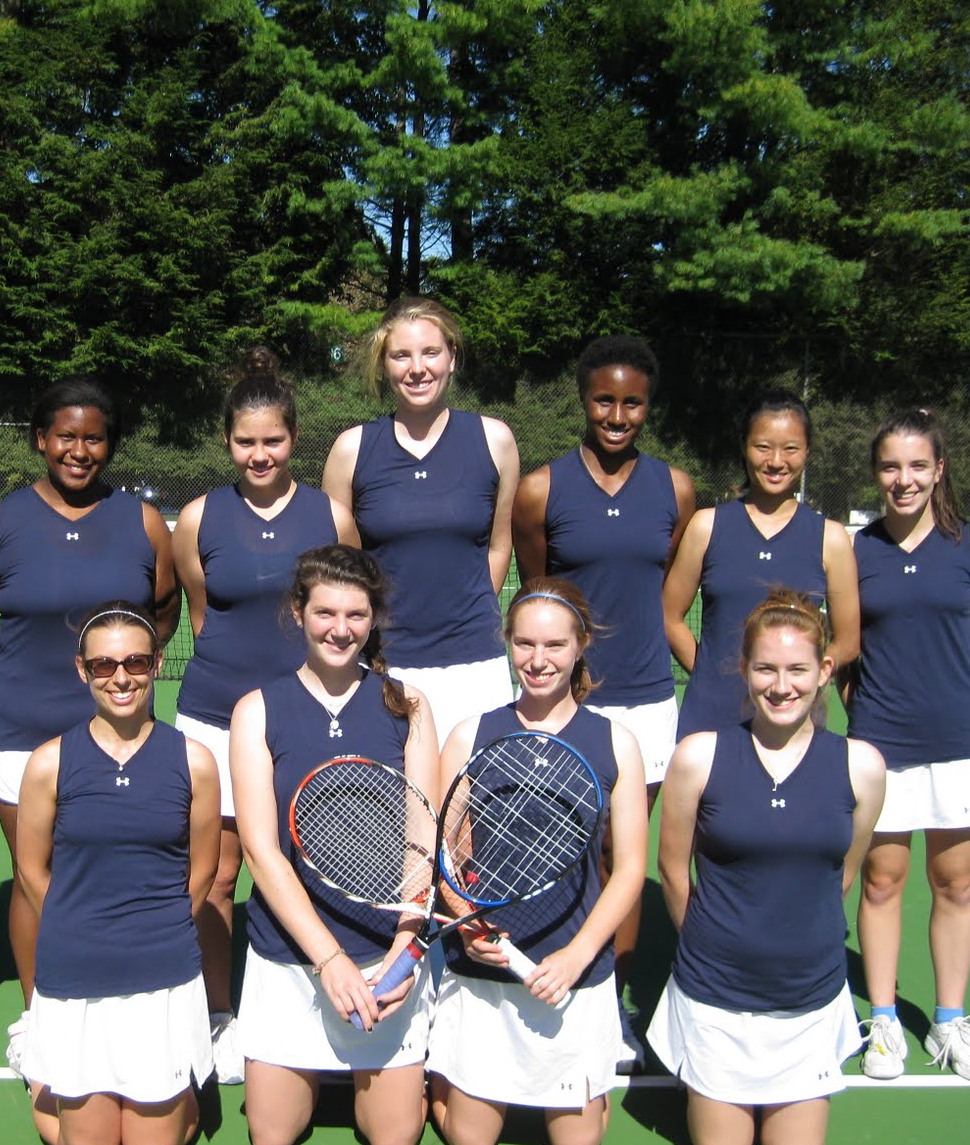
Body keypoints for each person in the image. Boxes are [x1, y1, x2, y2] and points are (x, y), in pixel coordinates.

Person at [0, 376, 180, 1075]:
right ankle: (39, 1017)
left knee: (112, 865)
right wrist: (16, 669)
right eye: (65, 436)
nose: (79, 450)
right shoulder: (3, 521)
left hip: (117, 733)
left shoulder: (142, 521)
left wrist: (121, 680)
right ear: (40, 439)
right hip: (22, 731)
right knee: (37, 879)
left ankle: (114, 1006)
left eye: (94, 437)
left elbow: (164, 607)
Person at [649, 590, 884, 1145]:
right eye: (767, 669)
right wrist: (707, 944)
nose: (782, 686)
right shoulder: (699, 756)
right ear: (745, 671)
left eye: (798, 670)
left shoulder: (862, 766)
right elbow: (674, 871)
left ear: (825, 671)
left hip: (808, 996)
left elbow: (843, 874)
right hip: (715, 994)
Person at [172, 350, 358, 1083]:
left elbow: (347, 611)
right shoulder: (198, 517)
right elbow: (200, 611)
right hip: (216, 716)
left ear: (293, 440)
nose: (259, 455)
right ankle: (220, 1015)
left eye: (273, 440)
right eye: (245, 442)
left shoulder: (330, 514)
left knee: (311, 865)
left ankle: (319, 997)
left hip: (304, 719)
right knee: (217, 875)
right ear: (228, 443)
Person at [511, 335, 696, 1069]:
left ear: (648, 406)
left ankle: (610, 1001)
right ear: (583, 401)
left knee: (624, 852)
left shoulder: (676, 489)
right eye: (604, 400)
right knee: (554, 847)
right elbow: (536, 592)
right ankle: (537, 978)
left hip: (648, 701)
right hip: (562, 703)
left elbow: (673, 588)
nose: (617, 414)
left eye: (633, 402)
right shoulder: (540, 489)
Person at [427, 579, 647, 1145]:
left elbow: (628, 870)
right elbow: (444, 858)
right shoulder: (470, 734)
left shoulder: (616, 742)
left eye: (554, 645)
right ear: (507, 644)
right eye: (524, 644)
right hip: (486, 966)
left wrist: (576, 956)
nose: (538, 660)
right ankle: (439, 1074)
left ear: (580, 647)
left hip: (568, 972)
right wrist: (468, 922)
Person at [230, 545, 438, 1145]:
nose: (340, 629)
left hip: (383, 951)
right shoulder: (257, 710)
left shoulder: (410, 704)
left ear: (373, 618)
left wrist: (405, 942)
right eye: (325, 613)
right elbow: (261, 851)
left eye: (355, 614)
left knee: (394, 1143)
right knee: (271, 1139)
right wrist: (328, 960)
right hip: (293, 956)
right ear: (299, 613)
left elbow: (423, 837)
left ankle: (427, 1070)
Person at [17, 602, 220, 1145]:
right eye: (104, 666)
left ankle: (176, 1084)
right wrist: (78, 932)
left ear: (157, 663)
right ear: (82, 671)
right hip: (76, 968)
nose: (121, 678)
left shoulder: (195, 761)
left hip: (162, 967)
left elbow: (201, 871)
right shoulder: (48, 764)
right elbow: (33, 873)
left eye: (135, 662)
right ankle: (39, 1068)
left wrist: (159, 935)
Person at [849, 409, 970, 1084]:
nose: (903, 479)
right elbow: (848, 649)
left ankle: (948, 1022)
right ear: (877, 473)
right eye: (891, 466)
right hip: (880, 745)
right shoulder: (854, 551)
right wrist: (876, 711)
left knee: (956, 883)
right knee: (883, 883)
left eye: (917, 465)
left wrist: (938, 699)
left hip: (960, 740)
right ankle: (883, 1022)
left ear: (939, 469)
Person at [322, 298, 519, 744]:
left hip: (476, 665)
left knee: (473, 810)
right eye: (401, 355)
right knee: (393, 809)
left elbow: (499, 545)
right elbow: (341, 567)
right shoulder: (351, 450)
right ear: (383, 365)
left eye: (430, 352)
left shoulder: (495, 440)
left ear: (451, 356)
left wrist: (466, 611)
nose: (417, 368)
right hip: (386, 664)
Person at [663, 394, 859, 737]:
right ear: (744, 447)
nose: (776, 461)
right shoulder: (706, 526)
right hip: (710, 719)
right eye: (763, 447)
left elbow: (847, 641)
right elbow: (669, 616)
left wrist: (797, 681)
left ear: (808, 451)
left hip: (793, 725)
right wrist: (711, 673)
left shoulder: (831, 538)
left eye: (791, 449)